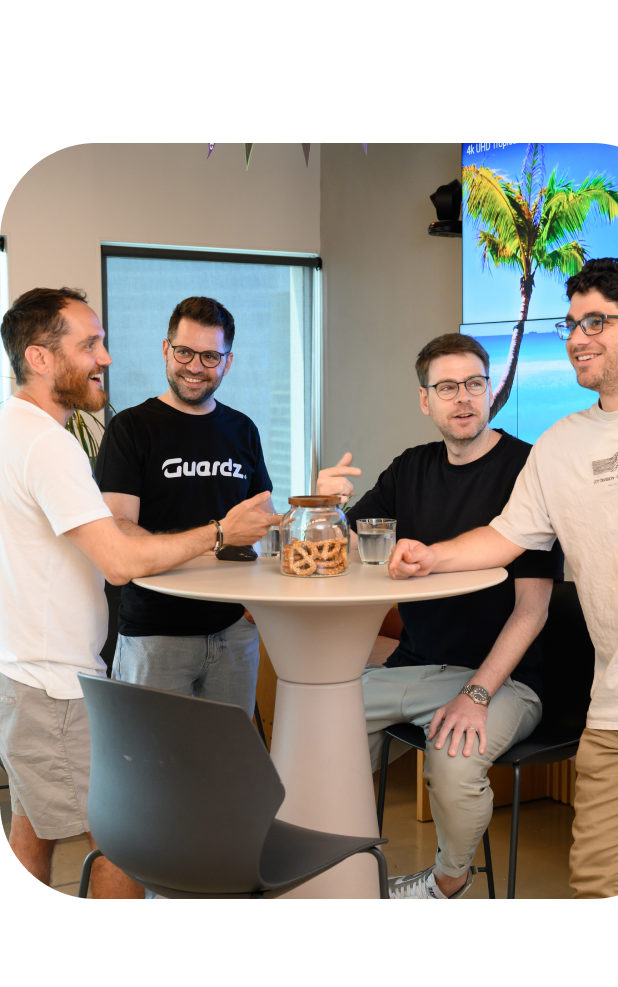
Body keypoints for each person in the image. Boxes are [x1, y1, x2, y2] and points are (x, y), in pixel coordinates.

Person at [389, 258, 618, 898]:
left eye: (596, 322)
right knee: (595, 889)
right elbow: (506, 537)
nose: (577, 338)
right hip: (616, 709)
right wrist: (432, 556)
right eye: (571, 323)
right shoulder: (559, 445)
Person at [0, 288, 278, 895]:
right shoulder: (50, 443)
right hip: (57, 677)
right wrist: (219, 532)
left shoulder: (20, 430)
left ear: (228, 361)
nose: (104, 357)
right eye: (90, 344)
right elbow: (120, 559)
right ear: (40, 357)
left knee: (32, 829)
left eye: (101, 342)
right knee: (125, 837)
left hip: (38, 669)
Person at [342, 332, 564, 899]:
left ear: (491, 390)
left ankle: (446, 886)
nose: (463, 397)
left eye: (473, 383)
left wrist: (477, 694)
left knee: (453, 759)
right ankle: (332, 873)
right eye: (446, 387)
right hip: (414, 666)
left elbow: (533, 609)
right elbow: (350, 542)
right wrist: (327, 506)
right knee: (318, 721)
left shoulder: (528, 470)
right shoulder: (410, 468)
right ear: (425, 400)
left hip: (505, 679)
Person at [94, 296, 278, 714]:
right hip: (156, 635)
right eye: (184, 352)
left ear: (227, 362)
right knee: (151, 756)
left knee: (227, 753)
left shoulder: (242, 430)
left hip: (233, 631)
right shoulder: (131, 428)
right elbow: (119, 528)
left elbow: (262, 521)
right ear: (166, 349)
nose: (195, 366)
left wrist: (317, 505)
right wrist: (216, 536)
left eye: (210, 356)